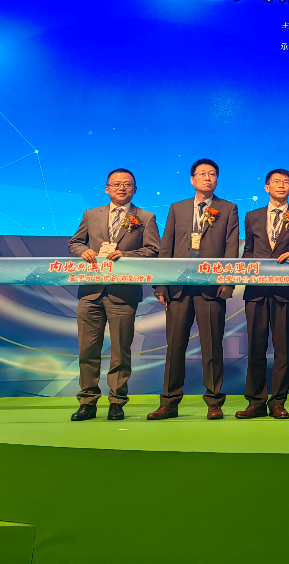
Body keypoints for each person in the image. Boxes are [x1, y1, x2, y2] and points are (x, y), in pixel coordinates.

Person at [148, 159, 240, 421]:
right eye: (202, 174)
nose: (207, 178)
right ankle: (169, 402)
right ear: (192, 179)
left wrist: (228, 281)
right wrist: (161, 284)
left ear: (217, 179)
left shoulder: (228, 208)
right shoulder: (177, 208)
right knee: (175, 346)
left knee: (212, 346)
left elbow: (231, 248)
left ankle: (214, 402)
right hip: (178, 288)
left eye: (212, 174)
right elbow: (166, 247)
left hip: (211, 288)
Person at [67, 169, 160, 421]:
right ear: (107, 189)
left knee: (120, 351)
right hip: (91, 292)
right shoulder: (91, 214)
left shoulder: (146, 217)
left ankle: (117, 402)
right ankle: (87, 402)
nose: (122, 188)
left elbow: (153, 250)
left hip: (123, 293)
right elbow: (75, 242)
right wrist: (83, 252)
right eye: (116, 184)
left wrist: (126, 255)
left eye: (127, 184)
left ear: (135, 190)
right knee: (87, 350)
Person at [234, 169, 289, 421]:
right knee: (255, 347)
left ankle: (278, 402)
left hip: (285, 292)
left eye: (286, 182)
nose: (281, 185)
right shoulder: (252, 216)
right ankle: (255, 402)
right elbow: (248, 252)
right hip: (256, 292)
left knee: (282, 349)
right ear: (266, 187)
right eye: (276, 181)